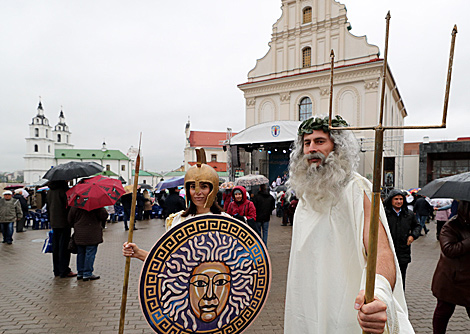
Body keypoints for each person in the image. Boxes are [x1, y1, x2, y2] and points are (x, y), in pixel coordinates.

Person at [285, 115, 413, 333]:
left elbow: (381, 252)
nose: (311, 149)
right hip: (308, 308)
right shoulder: (306, 196)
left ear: (337, 146)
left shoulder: (356, 189)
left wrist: (378, 293)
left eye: (319, 141)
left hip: (346, 311)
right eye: (306, 143)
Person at [123, 158, 228, 261]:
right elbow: (166, 261)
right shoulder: (177, 220)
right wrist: (138, 253)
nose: (197, 192)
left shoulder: (226, 221)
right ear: (187, 190)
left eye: (204, 186)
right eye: (193, 187)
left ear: (213, 189)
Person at [431, 200, 470, 333]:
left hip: (468, 278)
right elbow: (449, 249)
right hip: (451, 278)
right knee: (444, 311)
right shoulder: (451, 226)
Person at [384, 189, 421, 290]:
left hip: (403, 250)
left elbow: (417, 226)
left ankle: (401, 298)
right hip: (387, 250)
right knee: (387, 276)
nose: (399, 201)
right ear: (391, 200)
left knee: (401, 276)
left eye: (401, 199)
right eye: (396, 199)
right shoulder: (384, 214)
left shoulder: (408, 214)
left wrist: (413, 236)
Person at [68, 206, 108, 281]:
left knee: (80, 253)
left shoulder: (76, 206)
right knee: (90, 253)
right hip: (92, 233)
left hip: (79, 233)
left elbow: (70, 220)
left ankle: (80, 272)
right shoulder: (97, 205)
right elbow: (104, 216)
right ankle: (87, 273)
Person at [47, 181, 76, 278]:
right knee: (64, 247)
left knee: (56, 247)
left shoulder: (50, 191)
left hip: (54, 222)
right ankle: (64, 270)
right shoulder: (64, 191)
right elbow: (69, 206)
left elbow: (47, 206)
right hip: (64, 222)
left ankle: (57, 270)